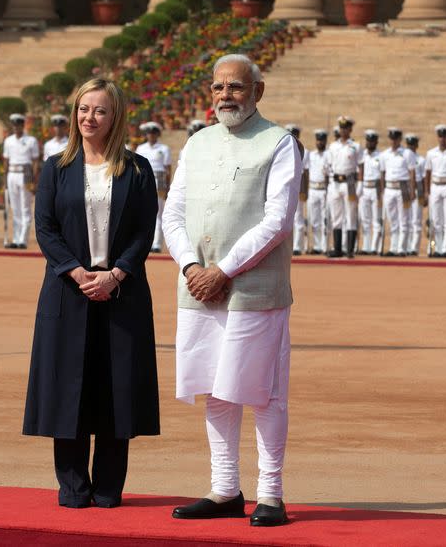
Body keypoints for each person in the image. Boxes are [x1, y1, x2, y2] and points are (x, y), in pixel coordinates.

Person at [163, 53, 302, 527]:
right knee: (215, 391)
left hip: (252, 289)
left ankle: (272, 494)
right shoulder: (198, 143)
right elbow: (173, 214)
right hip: (198, 288)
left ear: (258, 91)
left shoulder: (278, 143)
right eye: (219, 88)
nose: (226, 96)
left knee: (262, 392)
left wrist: (222, 269)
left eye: (237, 87)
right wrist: (189, 266)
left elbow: (277, 221)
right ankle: (224, 490)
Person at [23, 78, 159, 509]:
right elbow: (45, 228)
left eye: (99, 110)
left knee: (115, 388)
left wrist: (116, 273)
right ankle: (73, 485)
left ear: (114, 116)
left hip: (122, 293)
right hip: (68, 290)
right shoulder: (55, 168)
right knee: (69, 387)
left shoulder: (137, 169)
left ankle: (108, 487)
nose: (89, 118)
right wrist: (77, 272)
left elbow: (143, 231)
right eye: (83, 109)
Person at [326, 116, 362, 258]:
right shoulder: (333, 146)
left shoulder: (355, 146)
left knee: (351, 216)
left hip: (350, 183)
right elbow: (329, 166)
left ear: (350, 129)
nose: (343, 130)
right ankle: (338, 248)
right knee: (337, 217)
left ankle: (350, 250)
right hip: (335, 183)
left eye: (346, 128)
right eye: (341, 128)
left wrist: (360, 185)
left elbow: (361, 166)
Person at [3, 113, 39, 249]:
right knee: (15, 208)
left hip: (26, 174)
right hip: (12, 174)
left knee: (25, 207)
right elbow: (6, 161)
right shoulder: (8, 141)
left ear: (22, 126)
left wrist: (34, 179)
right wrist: (5, 179)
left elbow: (35, 161)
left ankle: (23, 239)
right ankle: (16, 238)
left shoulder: (31, 140)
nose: (16, 128)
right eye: (14, 125)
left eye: (18, 125)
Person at [135, 121, 172, 252]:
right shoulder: (140, 148)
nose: (151, 136)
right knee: (143, 213)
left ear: (158, 134)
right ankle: (144, 242)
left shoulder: (164, 148)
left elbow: (168, 169)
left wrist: (167, 187)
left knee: (158, 213)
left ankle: (156, 244)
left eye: (154, 133)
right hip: (143, 180)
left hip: (159, 180)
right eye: (149, 133)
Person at [380, 127, 416, 257]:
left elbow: (412, 173)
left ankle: (402, 248)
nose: (393, 141)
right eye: (391, 139)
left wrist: (412, 190)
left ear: (400, 139)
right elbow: (382, 173)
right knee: (392, 220)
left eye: (396, 139)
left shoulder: (407, 153)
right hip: (389, 188)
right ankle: (393, 247)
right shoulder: (384, 154)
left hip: (403, 189)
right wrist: (383, 190)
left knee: (404, 219)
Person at [425, 124, 446, 257]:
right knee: (435, 220)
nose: (442, 139)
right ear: (437, 138)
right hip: (435, 186)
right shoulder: (430, 153)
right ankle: (436, 247)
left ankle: (445, 248)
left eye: (445, 137)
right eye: (440, 136)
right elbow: (427, 173)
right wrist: (427, 191)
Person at [285, 124, 309, 255]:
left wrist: (304, 191)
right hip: (286, 189)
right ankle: (287, 246)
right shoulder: (283, 149)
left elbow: (305, 173)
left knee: (299, 218)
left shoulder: (302, 151)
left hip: (297, 188)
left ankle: (298, 246)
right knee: (285, 219)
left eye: (295, 135)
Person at [306, 129, 330, 254]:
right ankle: (316, 245)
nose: (320, 142)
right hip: (313, 189)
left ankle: (325, 246)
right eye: (318, 140)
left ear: (325, 141)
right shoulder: (311, 155)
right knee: (314, 219)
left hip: (324, 190)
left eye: (322, 140)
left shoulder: (329, 154)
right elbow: (307, 172)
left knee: (324, 219)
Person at [359, 129, 382, 255]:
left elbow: (383, 175)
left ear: (376, 142)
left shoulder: (380, 156)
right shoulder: (362, 155)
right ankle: (366, 246)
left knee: (376, 219)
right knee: (365, 220)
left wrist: (381, 193)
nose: (369, 143)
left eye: (372, 141)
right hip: (364, 189)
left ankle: (374, 247)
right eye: (368, 140)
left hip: (375, 189)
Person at [405, 133, 425, 256]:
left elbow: (423, 179)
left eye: (413, 144)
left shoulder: (421, 160)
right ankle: (406, 246)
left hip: (417, 190)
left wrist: (423, 195)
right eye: (409, 144)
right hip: (405, 190)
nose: (411, 147)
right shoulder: (403, 157)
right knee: (406, 220)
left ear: (417, 145)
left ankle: (414, 247)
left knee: (416, 220)